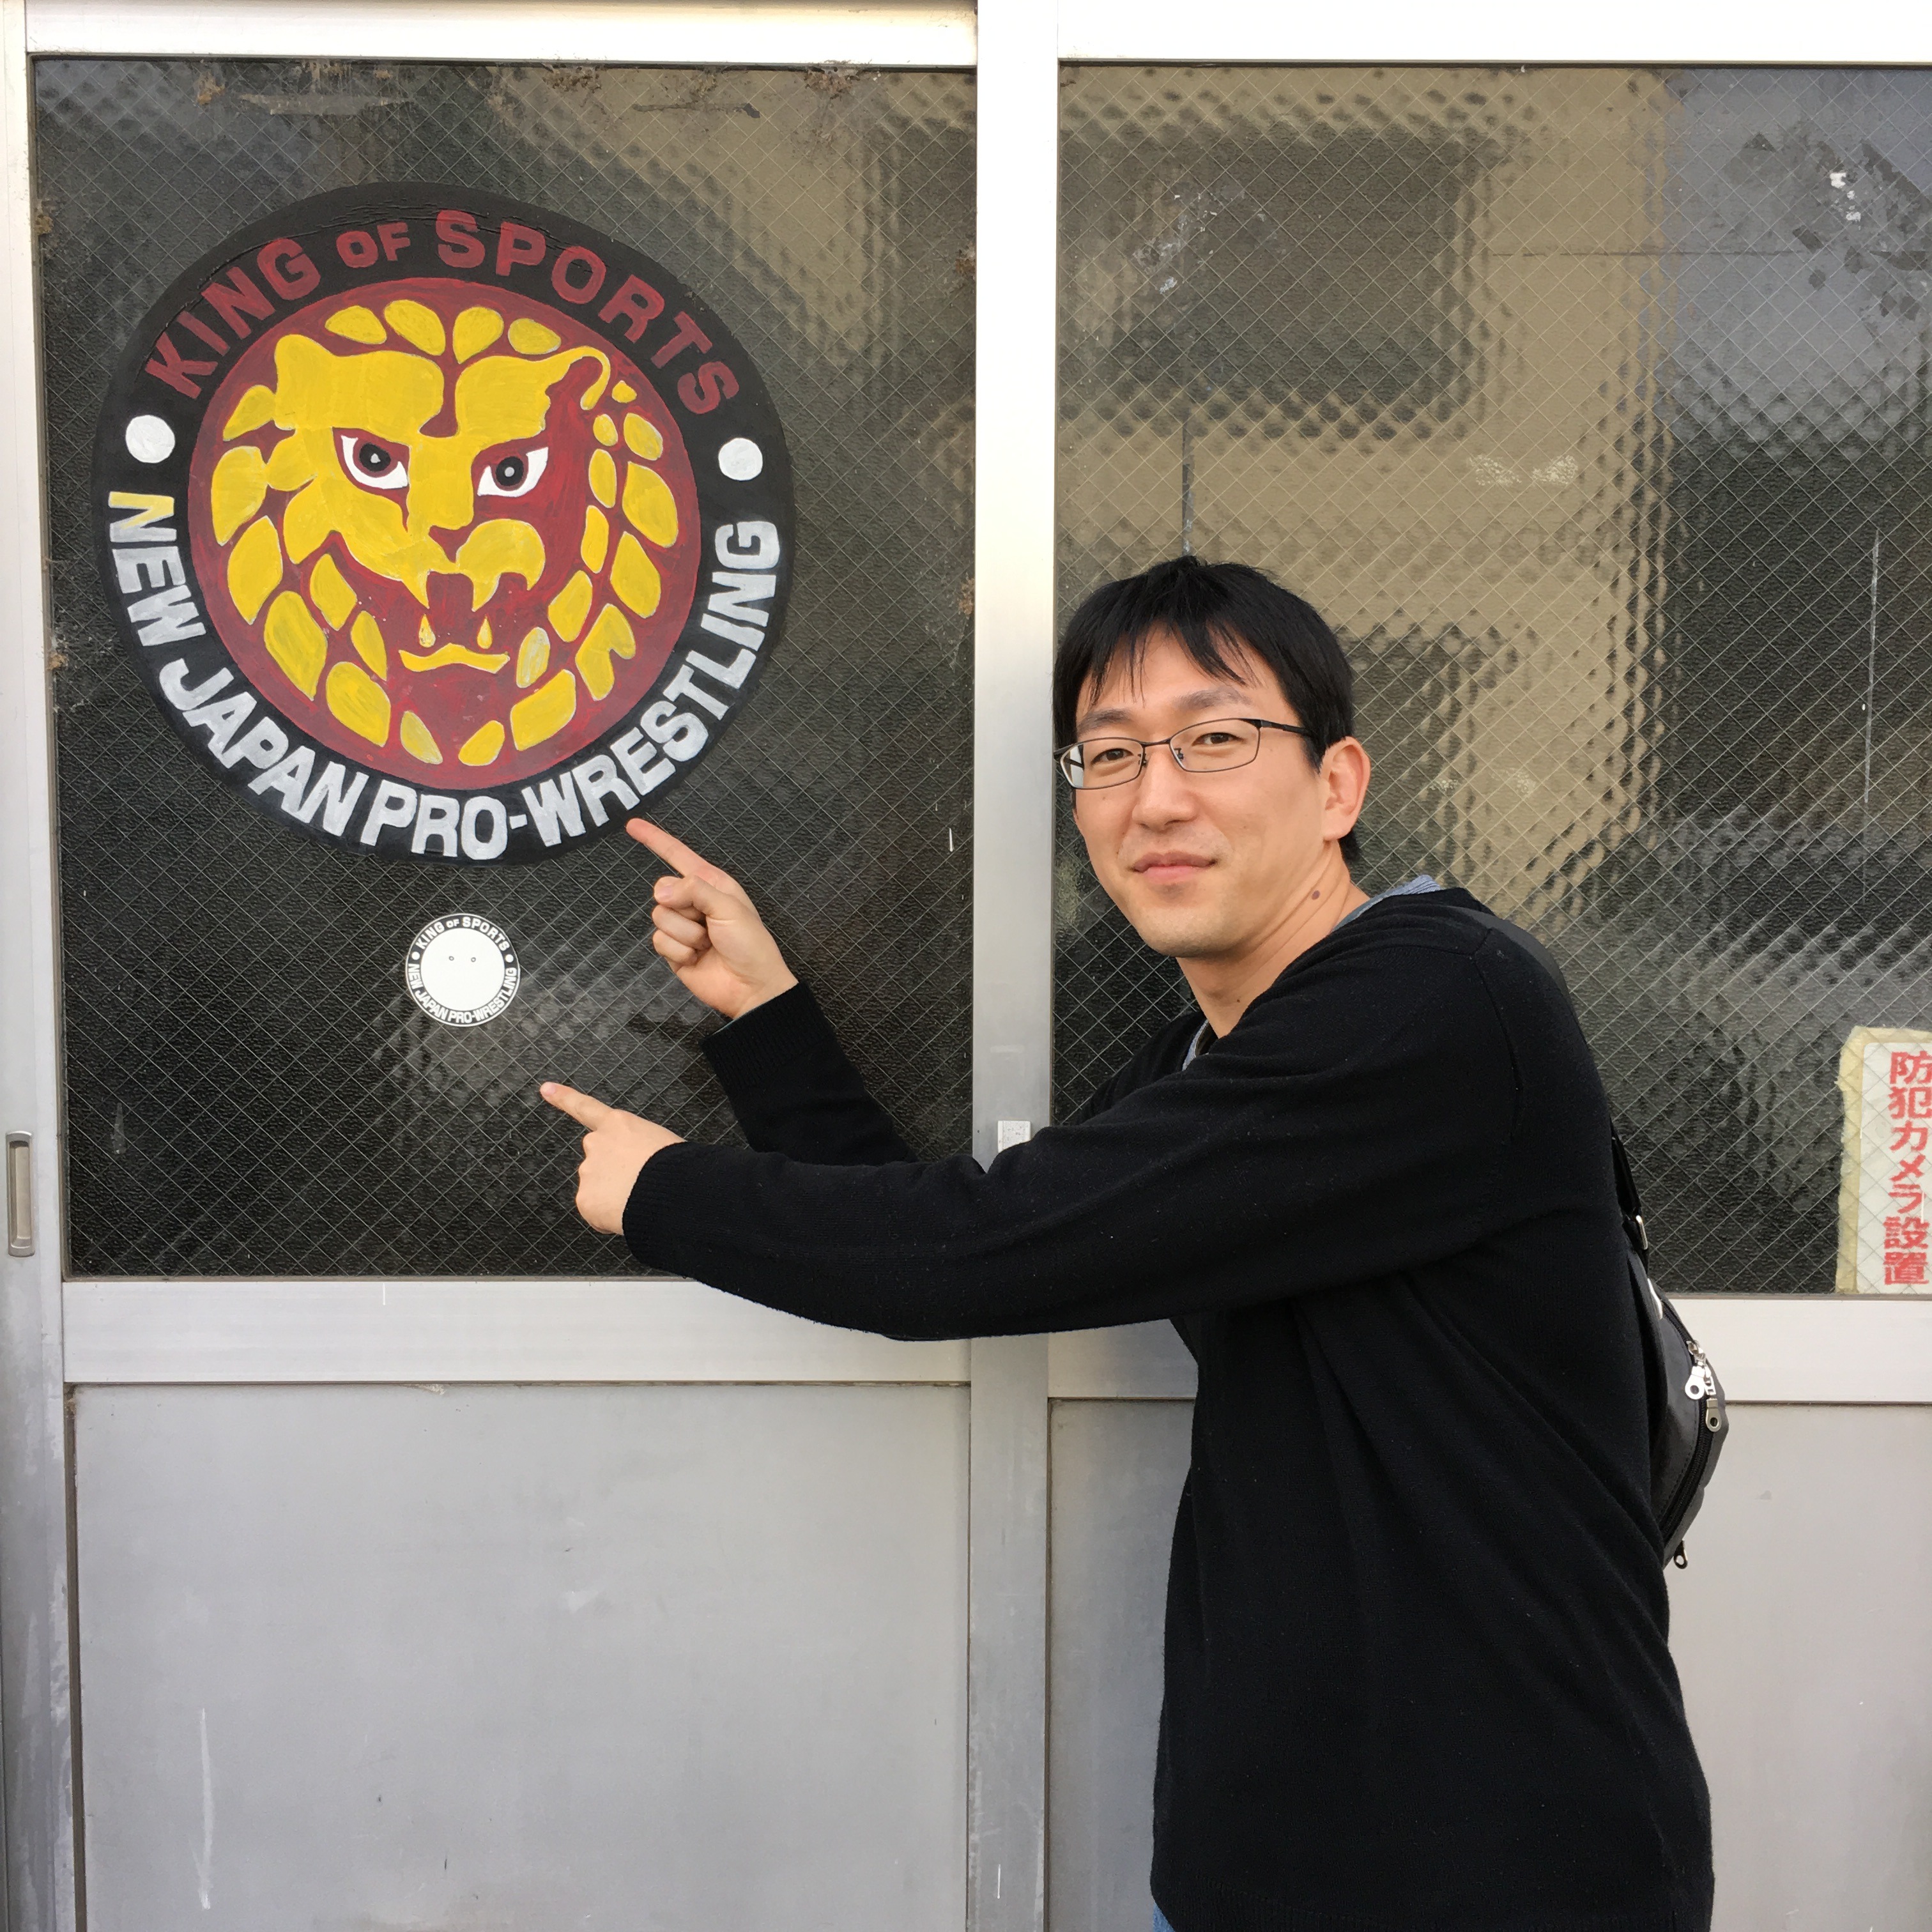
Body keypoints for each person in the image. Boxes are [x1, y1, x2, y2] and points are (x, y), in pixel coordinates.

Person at [542, 556, 1713, 1932]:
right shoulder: (1214, 1053)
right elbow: (989, 1243)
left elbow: (975, 1250)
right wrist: (767, 1013)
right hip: (1267, 1864)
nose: (1155, 797)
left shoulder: (1435, 1004)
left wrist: (666, 1192)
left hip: (1502, 1865)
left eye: (1215, 740)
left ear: (1339, 785)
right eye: (1110, 755)